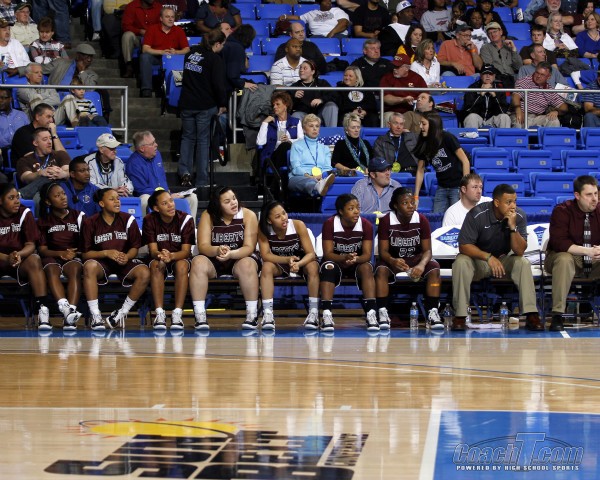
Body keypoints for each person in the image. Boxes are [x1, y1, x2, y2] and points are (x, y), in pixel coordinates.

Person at [451, 183, 544, 332]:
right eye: (509, 202)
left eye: (515, 201)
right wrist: (488, 257)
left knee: (523, 263)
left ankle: (531, 314)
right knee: (461, 262)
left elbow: (520, 251)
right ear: (496, 202)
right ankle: (460, 315)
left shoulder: (519, 216)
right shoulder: (477, 214)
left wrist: (512, 228)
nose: (513, 206)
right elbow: (464, 246)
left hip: (504, 260)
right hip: (480, 261)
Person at [189, 187, 260, 330]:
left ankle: (252, 315)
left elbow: (249, 247)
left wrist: (231, 254)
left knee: (248, 264)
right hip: (214, 257)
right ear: (218, 205)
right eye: (227, 201)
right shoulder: (208, 216)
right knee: (197, 262)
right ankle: (200, 315)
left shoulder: (248, 215)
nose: (233, 203)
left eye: (234, 198)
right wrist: (217, 250)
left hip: (239, 257)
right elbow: (203, 246)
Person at [80, 187, 151, 331]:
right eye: (111, 199)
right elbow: (85, 254)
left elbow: (135, 247)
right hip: (101, 262)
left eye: (117, 199)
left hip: (123, 261)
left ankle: (120, 313)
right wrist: (106, 253)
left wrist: (127, 256)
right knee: (89, 266)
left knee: (144, 272)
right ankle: (96, 315)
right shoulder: (90, 222)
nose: (117, 202)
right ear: (101, 203)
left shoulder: (128, 219)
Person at [375, 187, 443, 330]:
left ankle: (432, 311)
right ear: (396, 205)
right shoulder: (386, 221)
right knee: (381, 270)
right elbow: (383, 252)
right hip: (394, 260)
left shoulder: (421, 219)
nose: (411, 206)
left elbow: (427, 251)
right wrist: (392, 260)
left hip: (416, 260)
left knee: (434, 269)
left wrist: (421, 265)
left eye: (412, 202)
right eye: (405, 203)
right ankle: (382, 311)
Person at [545, 175, 600, 332]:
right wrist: (587, 251)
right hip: (563, 257)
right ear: (577, 195)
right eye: (589, 195)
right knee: (564, 259)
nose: (594, 199)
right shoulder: (562, 211)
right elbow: (559, 243)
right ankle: (557, 314)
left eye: (596, 194)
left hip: (594, 259)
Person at [257, 201, 320, 330]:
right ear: (269, 221)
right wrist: (286, 260)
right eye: (277, 216)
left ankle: (313, 313)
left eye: (284, 213)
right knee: (266, 267)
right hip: (280, 262)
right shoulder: (263, 229)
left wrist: (299, 263)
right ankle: (268, 314)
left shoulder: (298, 225)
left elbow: (311, 253)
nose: (283, 218)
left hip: (301, 261)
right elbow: (266, 255)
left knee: (313, 266)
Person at [178, 29, 227, 189]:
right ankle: (201, 180)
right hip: (205, 105)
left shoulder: (190, 54)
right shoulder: (214, 59)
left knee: (187, 138)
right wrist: (222, 103)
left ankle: (184, 172)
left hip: (187, 103)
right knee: (203, 141)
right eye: (223, 44)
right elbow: (218, 85)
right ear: (217, 44)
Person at [320, 193, 377, 331]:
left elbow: (367, 255)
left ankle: (371, 313)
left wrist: (355, 259)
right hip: (335, 261)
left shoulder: (366, 225)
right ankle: (326, 314)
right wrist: (343, 257)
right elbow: (328, 254)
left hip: (356, 262)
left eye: (358, 207)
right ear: (341, 211)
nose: (356, 211)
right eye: (351, 208)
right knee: (328, 267)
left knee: (367, 268)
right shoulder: (330, 224)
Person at [142, 189, 195, 330]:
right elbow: (153, 250)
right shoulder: (149, 220)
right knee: (156, 266)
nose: (171, 205)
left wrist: (171, 256)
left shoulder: (186, 219)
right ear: (156, 208)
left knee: (182, 266)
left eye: (171, 201)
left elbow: (186, 251)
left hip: (179, 257)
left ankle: (177, 313)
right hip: (159, 257)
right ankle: (159, 313)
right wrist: (161, 256)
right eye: (164, 203)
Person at [0, 182, 49, 329]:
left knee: (34, 259)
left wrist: (18, 255)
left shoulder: (24, 213)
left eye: (18, 197)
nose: (17, 201)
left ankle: (42, 311)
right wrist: (6, 258)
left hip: (18, 260)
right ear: (0, 200)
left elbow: (31, 245)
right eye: (11, 198)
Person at [37, 181, 84, 330]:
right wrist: (61, 253)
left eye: (63, 194)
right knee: (51, 269)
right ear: (48, 201)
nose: (63, 197)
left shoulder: (79, 216)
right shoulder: (43, 221)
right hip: (52, 256)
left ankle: (71, 314)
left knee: (75, 269)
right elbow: (42, 250)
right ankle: (65, 309)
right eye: (57, 196)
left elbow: (86, 244)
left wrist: (74, 252)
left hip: (73, 256)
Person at [126, 130, 198, 218]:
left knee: (192, 197)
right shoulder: (133, 163)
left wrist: (168, 195)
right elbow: (142, 190)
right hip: (152, 197)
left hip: (166, 194)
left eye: (155, 141)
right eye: (152, 143)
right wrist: (166, 196)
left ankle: (190, 226)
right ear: (142, 148)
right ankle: (146, 225)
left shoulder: (157, 155)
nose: (156, 145)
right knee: (144, 199)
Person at [414, 112, 470, 213]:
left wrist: (464, 188)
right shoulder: (423, 142)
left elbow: (465, 161)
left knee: (456, 216)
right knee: (437, 217)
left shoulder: (447, 137)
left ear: (433, 124)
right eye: (420, 124)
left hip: (457, 187)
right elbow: (420, 171)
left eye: (424, 124)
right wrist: (416, 196)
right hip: (441, 187)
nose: (421, 127)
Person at [139, 6, 189, 98]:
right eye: (167, 17)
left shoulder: (179, 31)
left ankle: (178, 92)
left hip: (172, 58)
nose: (170, 19)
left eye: (172, 17)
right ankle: (146, 89)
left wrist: (176, 52)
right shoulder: (152, 29)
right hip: (157, 57)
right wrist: (161, 52)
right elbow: (145, 49)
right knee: (144, 57)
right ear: (161, 18)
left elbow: (187, 49)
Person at [16, 126, 70, 200]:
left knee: (51, 175)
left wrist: (63, 174)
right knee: (39, 196)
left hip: (62, 188)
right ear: (35, 143)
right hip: (40, 192)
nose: (49, 142)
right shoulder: (25, 160)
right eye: (45, 139)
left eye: (50, 138)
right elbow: (26, 178)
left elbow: (70, 171)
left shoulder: (60, 154)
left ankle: (21, 194)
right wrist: (40, 173)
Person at [288, 114, 335, 198]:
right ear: (304, 129)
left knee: (334, 181)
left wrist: (321, 176)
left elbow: (327, 167)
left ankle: (320, 186)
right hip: (300, 177)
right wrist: (311, 177)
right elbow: (296, 168)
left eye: (317, 126)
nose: (314, 129)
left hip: (321, 177)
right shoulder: (296, 145)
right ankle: (317, 186)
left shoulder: (325, 148)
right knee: (308, 182)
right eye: (311, 126)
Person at [257, 91, 303, 174]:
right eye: (273, 105)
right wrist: (264, 123)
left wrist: (289, 140)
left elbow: (301, 141)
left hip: (292, 155)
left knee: (286, 145)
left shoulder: (296, 122)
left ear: (286, 105)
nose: (274, 107)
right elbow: (260, 142)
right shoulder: (269, 123)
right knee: (284, 146)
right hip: (273, 156)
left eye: (277, 104)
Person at [511, 62, 568, 128]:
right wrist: (518, 110)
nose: (538, 76)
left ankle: (551, 135)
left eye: (542, 75)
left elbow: (564, 107)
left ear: (548, 77)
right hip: (521, 114)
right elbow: (515, 96)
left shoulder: (549, 89)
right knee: (518, 122)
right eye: (537, 73)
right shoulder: (525, 81)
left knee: (554, 120)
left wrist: (557, 111)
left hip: (537, 117)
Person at [380, 54, 428, 124]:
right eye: (394, 66)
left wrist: (417, 102)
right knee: (388, 117)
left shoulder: (417, 78)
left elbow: (426, 96)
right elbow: (386, 98)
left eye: (398, 67)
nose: (394, 69)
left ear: (407, 68)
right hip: (392, 112)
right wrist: (403, 99)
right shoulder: (387, 78)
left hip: (413, 112)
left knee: (419, 117)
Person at [121, 0, 162, 78]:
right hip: (137, 37)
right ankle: (129, 66)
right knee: (127, 35)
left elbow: (162, 26)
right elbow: (126, 26)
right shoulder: (132, 6)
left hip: (153, 39)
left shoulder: (159, 7)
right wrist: (139, 31)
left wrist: (151, 33)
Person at [290, 59, 338, 127]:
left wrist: (321, 100)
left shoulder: (322, 83)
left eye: (305, 68)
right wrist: (294, 97)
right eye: (300, 68)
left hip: (320, 115)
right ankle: (298, 134)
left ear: (312, 71)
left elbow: (334, 96)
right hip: (304, 116)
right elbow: (288, 104)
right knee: (295, 115)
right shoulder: (294, 86)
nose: (301, 70)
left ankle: (332, 132)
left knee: (331, 105)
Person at [461, 64, 511, 128]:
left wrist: (494, 96)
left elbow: (502, 111)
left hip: (492, 120)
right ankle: (472, 135)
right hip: (477, 120)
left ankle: (503, 135)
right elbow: (469, 110)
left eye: (490, 74)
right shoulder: (473, 88)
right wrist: (481, 94)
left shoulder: (499, 89)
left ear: (494, 76)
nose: (488, 76)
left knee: (505, 117)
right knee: (471, 117)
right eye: (485, 73)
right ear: (481, 76)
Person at [85, 133, 134, 197]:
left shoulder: (118, 161)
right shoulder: (89, 162)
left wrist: (125, 189)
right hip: (96, 197)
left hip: (116, 196)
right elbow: (92, 185)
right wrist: (111, 191)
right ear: (101, 149)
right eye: (111, 148)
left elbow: (125, 181)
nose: (115, 151)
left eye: (115, 148)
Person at [480, 22, 522, 88]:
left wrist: (513, 49)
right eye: (490, 33)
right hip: (497, 79)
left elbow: (518, 66)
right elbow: (490, 67)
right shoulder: (485, 48)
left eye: (495, 32)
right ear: (488, 36)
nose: (493, 34)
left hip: (512, 77)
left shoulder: (509, 46)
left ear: (501, 32)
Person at [221, 24, 258, 95]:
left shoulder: (228, 44)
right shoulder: (236, 48)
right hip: (224, 89)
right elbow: (232, 75)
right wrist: (243, 84)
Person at [283, 0, 350, 38]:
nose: (328, 2)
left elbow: (344, 23)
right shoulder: (312, 13)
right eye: (325, 0)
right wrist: (285, 16)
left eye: (329, 0)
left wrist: (331, 34)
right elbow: (298, 17)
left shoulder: (336, 10)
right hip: (317, 37)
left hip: (336, 36)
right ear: (319, 3)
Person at [0, 86, 28, 171]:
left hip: (23, 150)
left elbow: (29, 133)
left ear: (10, 99)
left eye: (3, 98)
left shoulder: (21, 115)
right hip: (3, 152)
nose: (0, 100)